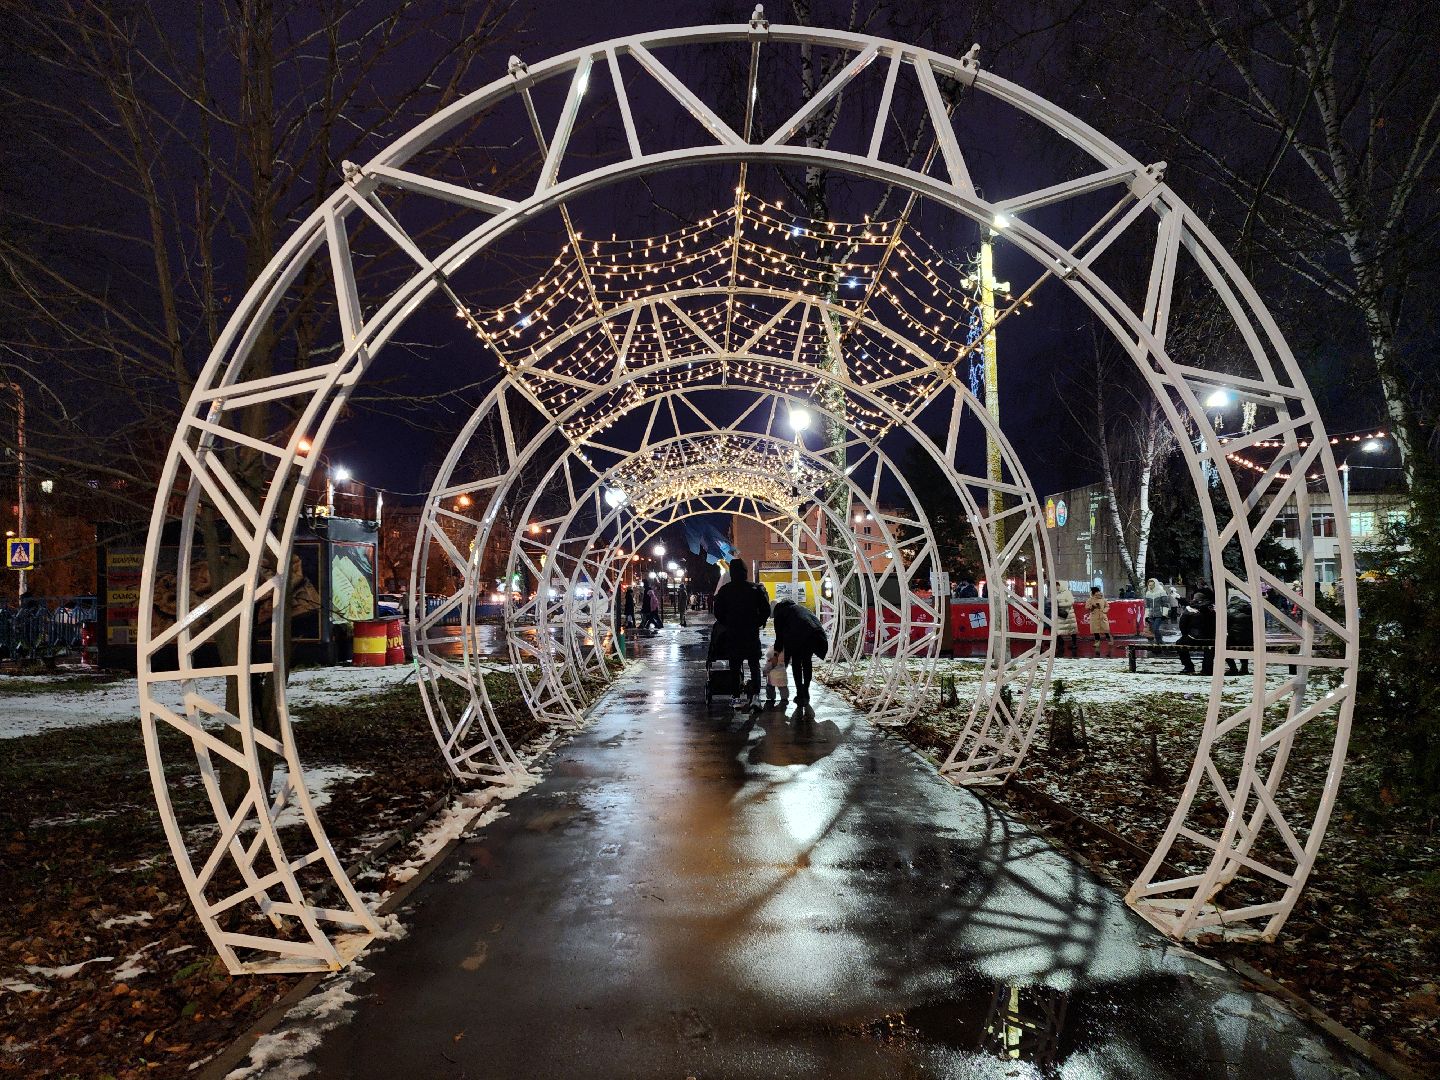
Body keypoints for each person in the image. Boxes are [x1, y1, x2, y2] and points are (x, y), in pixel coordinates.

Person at [712, 557, 770, 705]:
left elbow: (718, 612)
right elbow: (766, 610)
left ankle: (736, 697)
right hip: (751, 633)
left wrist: (728, 622)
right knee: (754, 665)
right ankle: (756, 697)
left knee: (735, 667)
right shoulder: (756, 589)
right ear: (745, 572)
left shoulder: (725, 591)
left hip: (733, 634)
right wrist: (757, 622)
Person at [772, 597, 828, 708]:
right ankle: (805, 691)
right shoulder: (799, 608)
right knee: (807, 661)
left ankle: (799, 693)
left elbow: (779, 639)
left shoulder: (780, 614)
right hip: (814, 634)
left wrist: (775, 655)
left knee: (797, 663)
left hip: (798, 636)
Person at [1176, 588, 1217, 675]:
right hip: (1211, 638)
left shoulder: (1191, 609)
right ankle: (1207, 669)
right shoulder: (1214, 609)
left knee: (1179, 643)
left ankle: (1188, 667)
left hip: (1194, 637)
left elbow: (1182, 625)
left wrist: (1186, 635)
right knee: (1210, 648)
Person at [1225, 588, 1253, 675]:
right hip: (1250, 639)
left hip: (1235, 638)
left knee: (1222, 649)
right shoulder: (1251, 609)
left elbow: (1226, 626)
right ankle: (1244, 668)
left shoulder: (1229, 611)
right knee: (1244, 649)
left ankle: (1233, 668)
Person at [1085, 586, 1113, 656]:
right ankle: (1097, 641)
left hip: (1102, 616)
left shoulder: (1103, 599)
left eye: (1098, 591)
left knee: (1106, 629)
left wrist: (1104, 611)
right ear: (1093, 593)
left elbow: (1107, 606)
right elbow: (1086, 607)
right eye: (1096, 592)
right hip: (1094, 616)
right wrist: (1092, 607)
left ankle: (1109, 639)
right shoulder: (1090, 600)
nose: (1097, 593)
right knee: (1096, 630)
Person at [1053, 585, 1079, 657]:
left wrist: (1059, 605)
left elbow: (1071, 602)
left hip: (1068, 614)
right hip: (1062, 613)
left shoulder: (1067, 593)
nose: (1057, 587)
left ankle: (1073, 644)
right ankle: (1061, 643)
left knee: (1071, 629)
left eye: (1057, 586)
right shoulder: (1058, 594)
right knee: (1059, 629)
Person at [1144, 577, 1169, 644]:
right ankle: (1158, 642)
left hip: (1159, 614)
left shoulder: (1162, 592)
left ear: (1156, 584)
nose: (1150, 586)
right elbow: (1147, 606)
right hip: (1151, 615)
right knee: (1153, 630)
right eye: (1149, 585)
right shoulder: (1148, 593)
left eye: (1152, 584)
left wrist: (1164, 614)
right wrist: (1146, 616)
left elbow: (1165, 604)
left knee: (1155, 629)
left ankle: (1160, 642)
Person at [763, 645, 789, 709]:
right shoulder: (784, 656)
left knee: (770, 687)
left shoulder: (772, 657)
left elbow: (768, 666)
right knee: (783, 687)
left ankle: (771, 698)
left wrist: (765, 671)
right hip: (782, 675)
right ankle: (784, 699)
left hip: (772, 677)